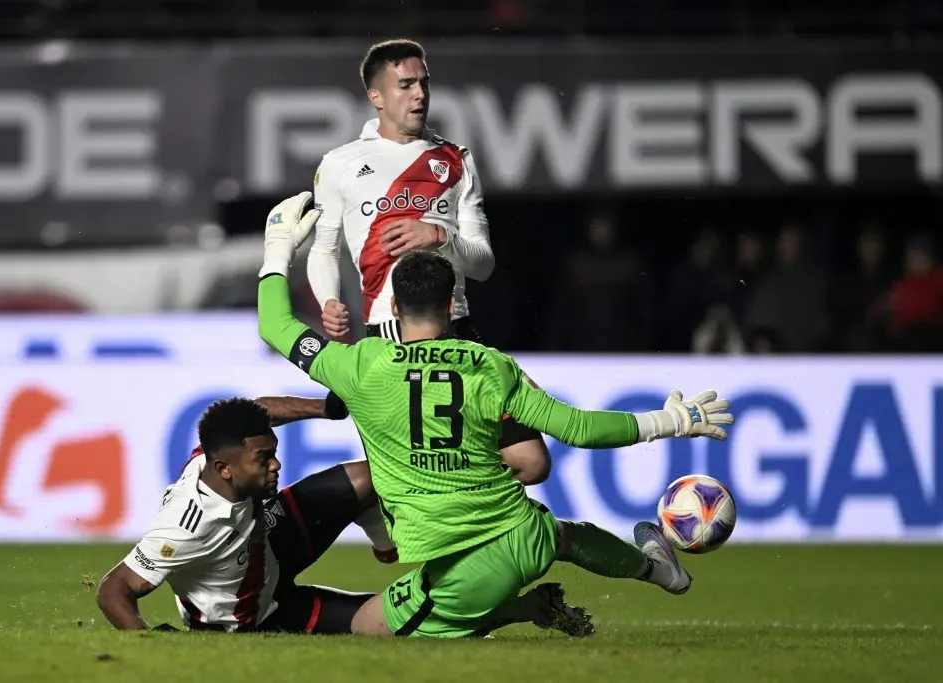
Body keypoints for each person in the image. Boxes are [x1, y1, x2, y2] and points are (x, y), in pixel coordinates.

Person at [258, 192, 736, 638]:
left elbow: (275, 325)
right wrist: (673, 420)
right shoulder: (491, 365)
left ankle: (515, 609)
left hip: (459, 568)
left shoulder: (360, 365)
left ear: (395, 308)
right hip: (526, 534)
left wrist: (279, 249)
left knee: (363, 627)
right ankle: (657, 569)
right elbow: (579, 429)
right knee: (565, 537)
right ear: (450, 305)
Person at [96, 393, 576, 634]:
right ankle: (524, 609)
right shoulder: (187, 526)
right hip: (255, 615)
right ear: (224, 468)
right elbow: (114, 590)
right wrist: (147, 641)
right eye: (263, 459)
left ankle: (383, 536)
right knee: (400, 623)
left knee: (371, 477)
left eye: (272, 451)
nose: (275, 464)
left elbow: (259, 409)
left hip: (268, 541)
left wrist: (327, 408)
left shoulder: (218, 457)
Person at [305, 38, 556, 490]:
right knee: (410, 481)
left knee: (531, 462)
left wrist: (439, 236)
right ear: (376, 97)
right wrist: (328, 300)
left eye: (424, 82)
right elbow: (323, 249)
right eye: (405, 84)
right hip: (389, 337)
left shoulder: (455, 160)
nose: (420, 93)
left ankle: (479, 521)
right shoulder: (340, 164)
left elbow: (483, 265)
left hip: (458, 329)